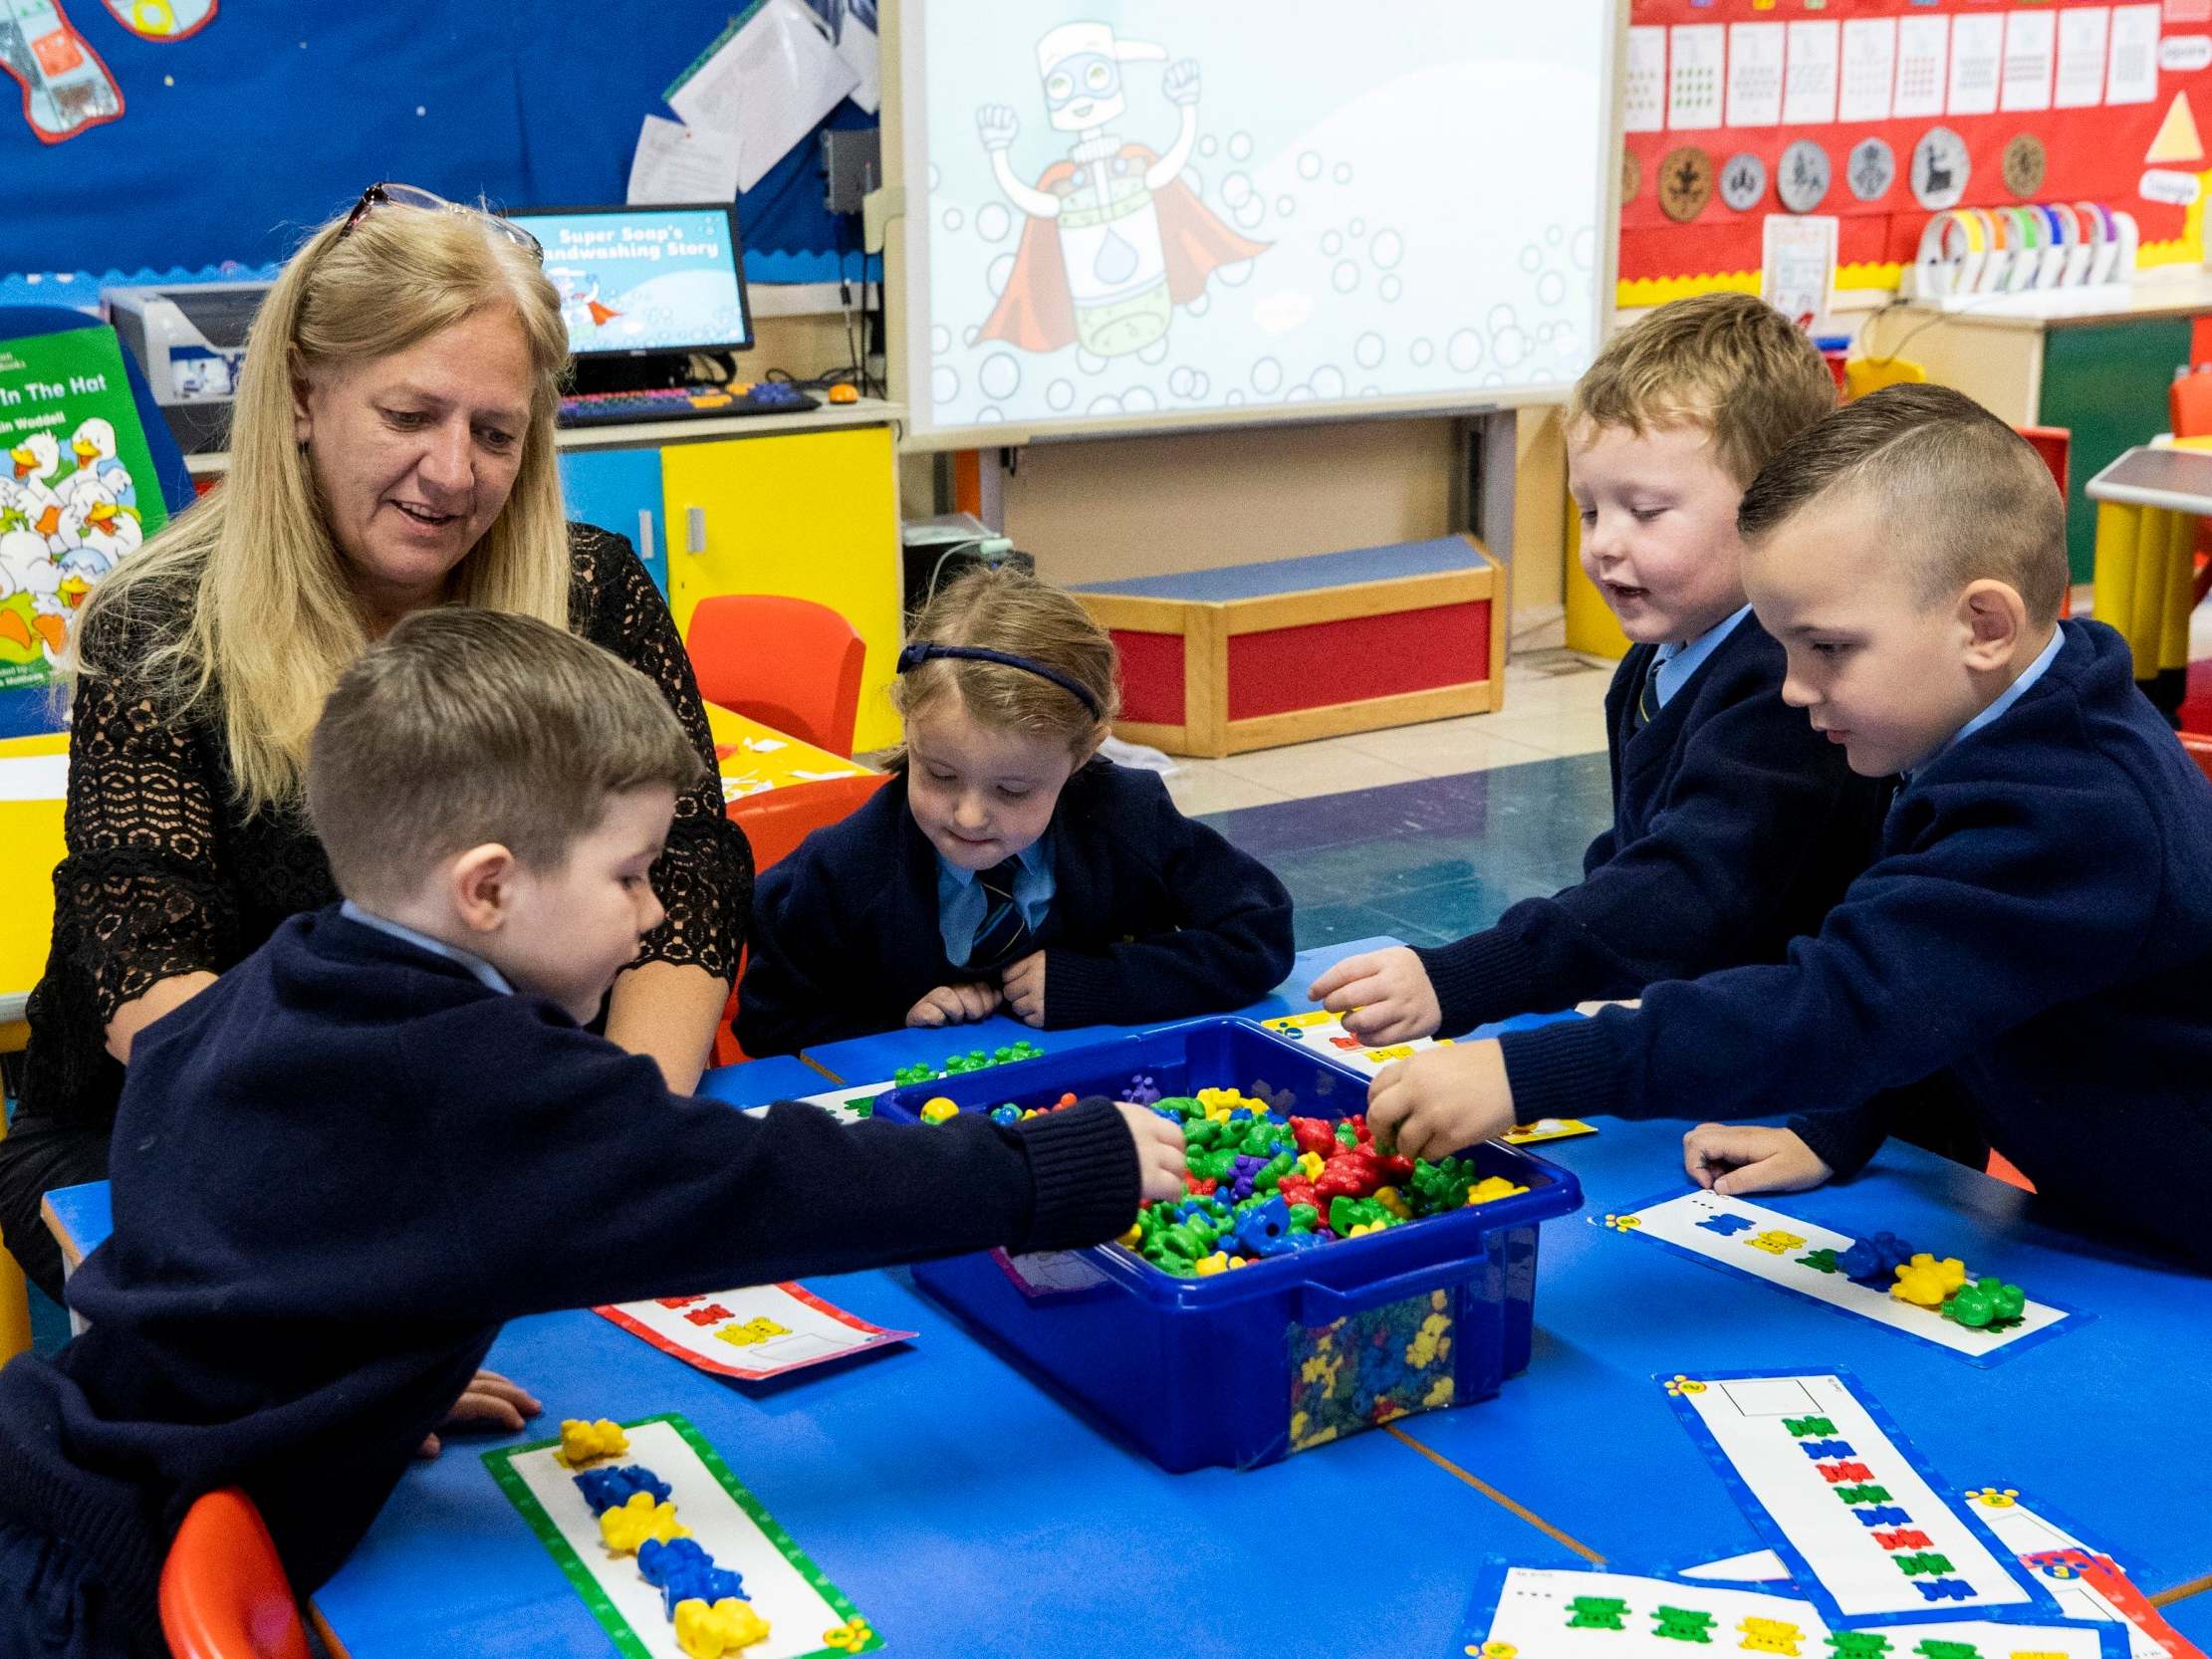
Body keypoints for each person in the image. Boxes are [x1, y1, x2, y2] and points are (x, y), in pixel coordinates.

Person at [0, 607, 1186, 1659]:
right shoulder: (477, 1077)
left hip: (55, 1462)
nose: (659, 910)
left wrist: (351, 1367)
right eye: (628, 874)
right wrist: (1056, 1164)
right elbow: (768, 1185)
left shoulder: (295, 973)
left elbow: (192, 1140)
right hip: (103, 1581)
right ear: (489, 889)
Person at [0, 185, 749, 1302]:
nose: (454, 475)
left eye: (496, 433)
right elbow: (143, 959)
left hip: (501, 1123)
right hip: (172, 1137)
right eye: (410, 416)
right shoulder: (160, 625)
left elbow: (684, 878)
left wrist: (609, 1139)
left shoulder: (593, 589)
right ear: (305, 395)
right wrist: (377, 1261)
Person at [1363, 385, 2212, 1266]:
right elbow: (1952, 983)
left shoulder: (2073, 810)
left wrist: (1528, 1072)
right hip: (2122, 1206)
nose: (1795, 687)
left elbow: (1849, 1001)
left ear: (1983, 625)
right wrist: (1837, 1130)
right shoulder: (1993, 724)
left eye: (1827, 648)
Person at [1310, 293, 1889, 1047]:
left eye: (1644, 512)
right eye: (1589, 511)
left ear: (1778, 507)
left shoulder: (1783, 684)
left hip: (1815, 1073)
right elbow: (1633, 859)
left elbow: (1691, 888)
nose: (1603, 545)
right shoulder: (1653, 663)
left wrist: (1474, 974)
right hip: (1713, 1027)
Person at [738, 564, 1296, 1053]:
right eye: (939, 774)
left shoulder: (1128, 818)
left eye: (1013, 790)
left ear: (1082, 754)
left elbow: (1259, 935)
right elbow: (771, 1021)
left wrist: (1099, 984)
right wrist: (892, 1024)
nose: (970, 817)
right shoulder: (845, 869)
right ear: (909, 728)